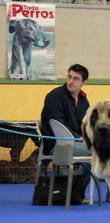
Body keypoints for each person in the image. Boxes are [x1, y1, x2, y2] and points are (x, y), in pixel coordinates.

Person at [40, 63, 92, 195]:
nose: (70, 81)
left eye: (76, 78)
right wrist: (80, 139)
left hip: (76, 143)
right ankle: (74, 188)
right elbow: (58, 125)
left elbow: (86, 125)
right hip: (57, 144)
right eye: (69, 77)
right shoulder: (55, 96)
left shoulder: (84, 100)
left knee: (100, 149)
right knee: (94, 152)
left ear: (83, 82)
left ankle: (76, 190)